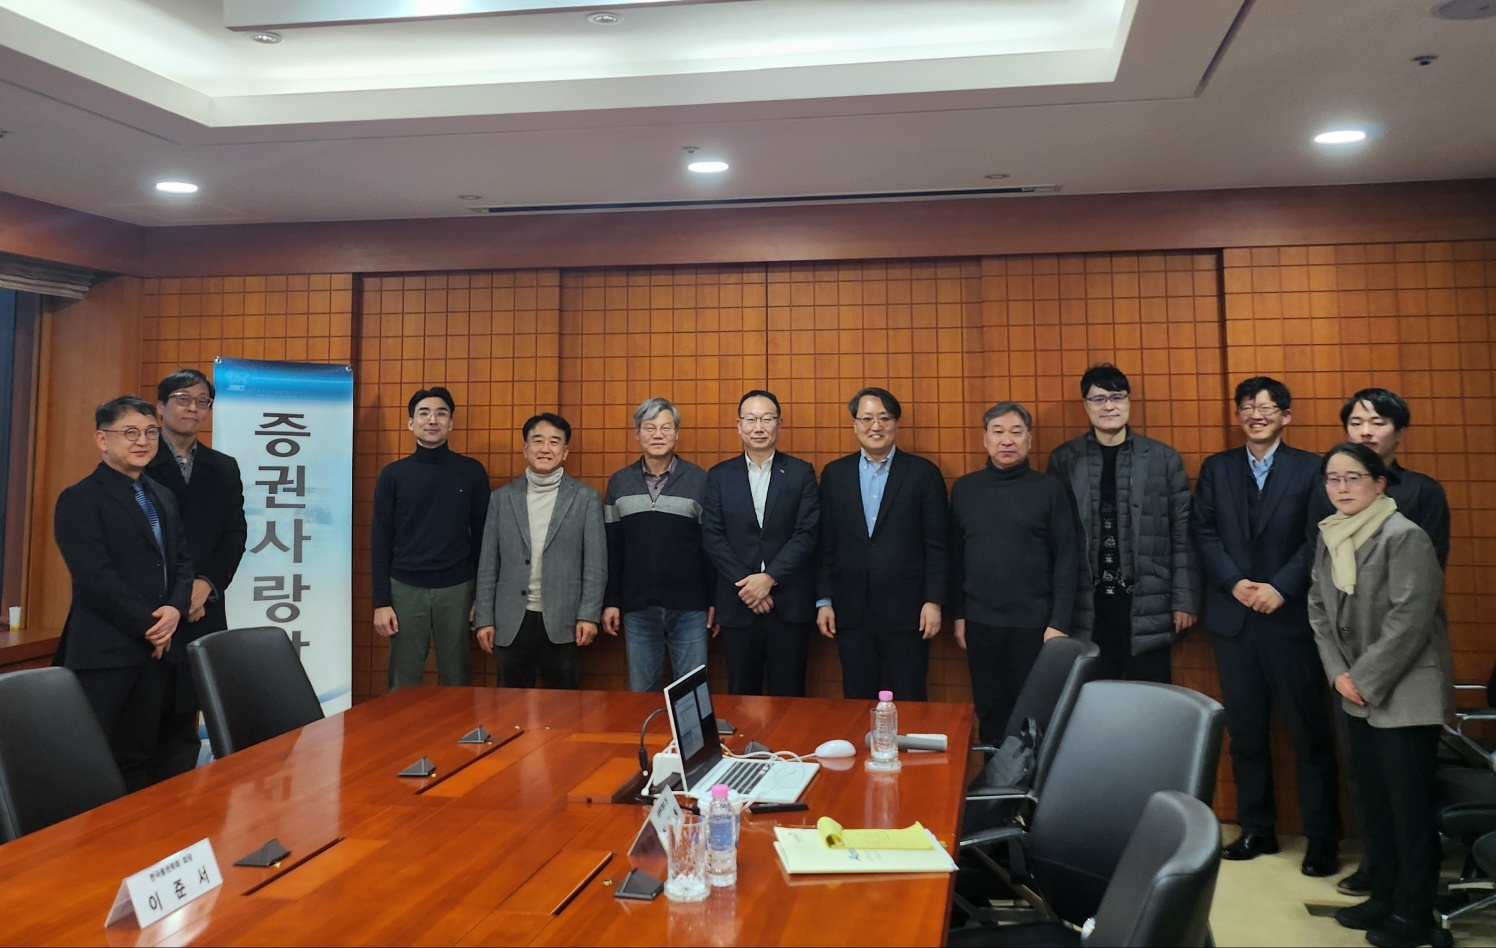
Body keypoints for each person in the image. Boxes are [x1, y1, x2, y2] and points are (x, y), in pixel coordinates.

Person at [1193, 376, 1340, 877]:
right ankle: (1257, 829)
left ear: (1285, 416)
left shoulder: (1311, 467)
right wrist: (1234, 582)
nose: (1256, 414)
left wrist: (1280, 587)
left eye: (1267, 407)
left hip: (1289, 618)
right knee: (1247, 734)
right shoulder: (1217, 468)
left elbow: (1318, 535)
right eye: (1248, 407)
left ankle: (1322, 838)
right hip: (1234, 621)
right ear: (1238, 415)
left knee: (1309, 734)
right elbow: (1203, 531)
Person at [1308, 442, 1451, 948]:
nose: (1341, 487)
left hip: (1404, 692)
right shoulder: (1330, 534)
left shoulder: (1403, 534)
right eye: (1333, 478)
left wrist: (1363, 680)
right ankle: (1384, 896)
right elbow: (1318, 609)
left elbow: (1410, 619)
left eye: (1353, 477)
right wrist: (1338, 675)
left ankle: (1415, 914)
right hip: (1354, 690)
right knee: (1377, 805)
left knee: (1409, 810)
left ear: (1379, 483)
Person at [53, 395, 194, 790]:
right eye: (130, 433)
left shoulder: (161, 495)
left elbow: (182, 561)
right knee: (95, 766)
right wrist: (152, 625)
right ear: (102, 439)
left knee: (143, 761)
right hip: (106, 653)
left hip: (159, 652)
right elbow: (95, 578)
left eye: (150, 432)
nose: (143, 441)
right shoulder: (79, 499)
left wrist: (175, 609)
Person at [1046, 364, 1199, 683]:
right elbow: (1055, 539)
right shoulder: (1064, 460)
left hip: (1147, 602)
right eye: (1098, 399)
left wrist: (1184, 600)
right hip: (1088, 605)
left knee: (1148, 699)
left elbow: (1183, 534)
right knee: (1093, 698)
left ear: (1128, 401)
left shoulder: (1163, 459)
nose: (1109, 406)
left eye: (1116, 397)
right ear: (1086, 405)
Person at [949, 401, 1080, 743]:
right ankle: (995, 777)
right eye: (998, 432)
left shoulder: (1050, 489)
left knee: (1034, 715)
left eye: (1016, 432)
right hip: (979, 622)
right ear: (985, 439)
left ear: (1029, 440)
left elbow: (1067, 559)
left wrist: (1059, 623)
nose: (1007, 440)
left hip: (1035, 625)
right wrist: (959, 615)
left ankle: (1030, 780)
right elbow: (956, 558)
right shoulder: (965, 489)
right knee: (990, 710)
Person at [145, 368, 247, 775]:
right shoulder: (140, 461)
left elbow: (234, 535)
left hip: (203, 606)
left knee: (186, 722)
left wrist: (206, 584)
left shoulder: (223, 467)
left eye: (202, 401)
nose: (193, 408)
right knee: (142, 726)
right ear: (160, 406)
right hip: (152, 610)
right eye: (182, 399)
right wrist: (177, 595)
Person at [816, 387, 947, 700]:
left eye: (884, 418)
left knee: (909, 697)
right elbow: (825, 543)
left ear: (896, 424)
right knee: (856, 699)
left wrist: (934, 601)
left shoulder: (924, 474)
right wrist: (823, 600)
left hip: (909, 610)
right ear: (855, 424)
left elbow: (938, 545)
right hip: (850, 608)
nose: (875, 426)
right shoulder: (835, 474)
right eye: (867, 419)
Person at [701, 390, 820, 696]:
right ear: (738, 425)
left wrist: (769, 578)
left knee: (790, 696)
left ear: (779, 424)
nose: (758, 427)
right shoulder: (719, 476)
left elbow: (806, 532)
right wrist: (748, 584)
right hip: (738, 603)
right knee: (742, 695)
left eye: (766, 419)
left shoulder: (800, 472)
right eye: (751, 419)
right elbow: (713, 535)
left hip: (788, 603)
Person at [474, 413, 606, 689]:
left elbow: (595, 564)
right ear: (525, 448)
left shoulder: (585, 498)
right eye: (538, 441)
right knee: (509, 706)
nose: (545, 448)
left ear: (565, 451)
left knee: (564, 706)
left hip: (564, 620)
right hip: (512, 620)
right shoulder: (501, 498)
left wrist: (588, 615)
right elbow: (488, 564)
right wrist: (484, 619)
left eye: (554, 442)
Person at [371, 387, 490, 689]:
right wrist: (381, 602)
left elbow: (483, 540)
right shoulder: (393, 475)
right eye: (424, 413)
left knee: (457, 676)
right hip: (404, 587)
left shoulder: (472, 472)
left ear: (451, 423)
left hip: (457, 587)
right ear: (411, 423)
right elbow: (380, 541)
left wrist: (482, 598)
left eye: (441, 413)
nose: (432, 420)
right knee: (404, 677)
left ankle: (457, 723)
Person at [601, 397, 715, 692]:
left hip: (690, 608)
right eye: (649, 427)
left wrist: (714, 600)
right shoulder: (619, 482)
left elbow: (711, 548)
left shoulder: (700, 480)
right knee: (641, 695)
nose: (658, 435)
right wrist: (612, 600)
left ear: (677, 433)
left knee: (692, 694)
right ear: (637, 434)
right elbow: (613, 549)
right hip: (638, 607)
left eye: (666, 427)